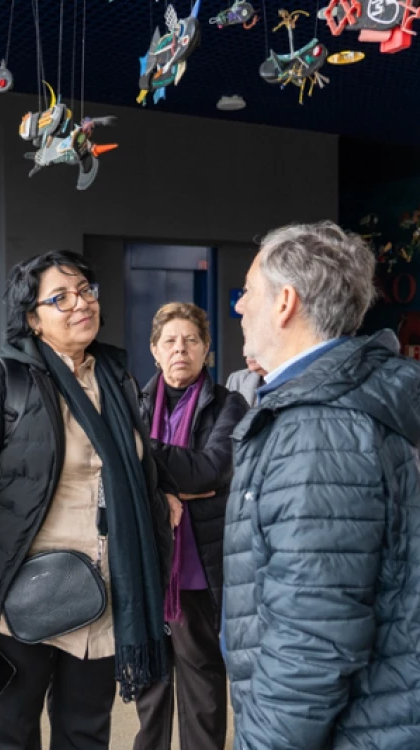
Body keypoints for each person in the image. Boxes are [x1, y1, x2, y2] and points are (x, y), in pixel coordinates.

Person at [0, 250, 176, 750]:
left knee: (86, 735)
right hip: (22, 599)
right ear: (32, 319)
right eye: (59, 297)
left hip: (106, 594)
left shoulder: (117, 378)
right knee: (9, 736)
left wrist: (163, 491)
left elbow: (133, 463)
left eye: (85, 290)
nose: (79, 303)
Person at [225, 221, 420, 749]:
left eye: (248, 290)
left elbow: (312, 638)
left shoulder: (317, 427)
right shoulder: (333, 405)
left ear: (285, 303)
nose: (238, 306)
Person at [134, 302, 248, 750]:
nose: (181, 349)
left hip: (199, 568)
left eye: (192, 340)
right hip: (148, 565)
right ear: (154, 351)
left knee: (201, 687)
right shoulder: (135, 404)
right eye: (170, 341)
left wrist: (142, 454)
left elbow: (211, 470)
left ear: (206, 351)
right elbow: (116, 477)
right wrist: (168, 487)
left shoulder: (229, 404)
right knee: (151, 685)